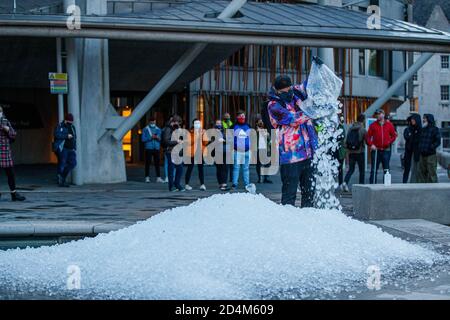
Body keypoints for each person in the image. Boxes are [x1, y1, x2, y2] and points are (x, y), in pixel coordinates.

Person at [267, 75, 318, 207]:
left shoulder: (296, 92)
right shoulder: (273, 105)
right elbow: (293, 119)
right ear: (277, 91)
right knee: (289, 196)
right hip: (291, 157)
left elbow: (309, 84)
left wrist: (317, 69)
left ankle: (309, 222)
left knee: (309, 194)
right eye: (283, 92)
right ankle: (288, 224)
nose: (287, 93)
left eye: (288, 89)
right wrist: (312, 112)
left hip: (308, 153)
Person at [0, 106, 25, 201]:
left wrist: (8, 130)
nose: (1, 114)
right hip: (3, 149)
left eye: (1, 112)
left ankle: (14, 194)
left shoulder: (5, 120)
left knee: (10, 173)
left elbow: (14, 133)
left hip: (5, 150)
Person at [366, 109, 397, 184]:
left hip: (386, 150)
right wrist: (371, 144)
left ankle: (386, 185)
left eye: (379, 114)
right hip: (376, 150)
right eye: (377, 114)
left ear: (383, 114)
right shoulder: (373, 125)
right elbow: (367, 137)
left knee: (386, 169)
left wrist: (389, 142)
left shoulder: (389, 125)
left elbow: (394, 135)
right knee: (374, 169)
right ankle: (372, 185)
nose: (378, 115)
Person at [342, 114, 367, 191]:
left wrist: (348, 149)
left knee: (351, 169)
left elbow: (346, 141)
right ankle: (361, 187)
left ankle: (345, 182)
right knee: (361, 170)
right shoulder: (363, 129)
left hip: (351, 153)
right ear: (363, 120)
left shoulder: (350, 128)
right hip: (360, 152)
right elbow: (367, 140)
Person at [53, 113, 77, 188]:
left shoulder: (73, 127)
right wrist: (66, 136)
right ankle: (61, 181)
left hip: (71, 149)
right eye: (69, 122)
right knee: (62, 164)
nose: (71, 123)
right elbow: (56, 134)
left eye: (71, 122)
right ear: (66, 120)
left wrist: (74, 146)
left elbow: (75, 137)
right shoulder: (60, 126)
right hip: (63, 148)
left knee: (73, 163)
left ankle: (62, 176)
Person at [161, 115, 185, 192]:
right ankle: (171, 186)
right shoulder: (167, 129)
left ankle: (177, 184)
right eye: (178, 123)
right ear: (173, 122)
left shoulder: (175, 128)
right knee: (171, 168)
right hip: (169, 151)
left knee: (180, 168)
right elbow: (166, 141)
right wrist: (176, 141)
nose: (178, 124)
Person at [231, 111, 252, 190]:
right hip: (237, 151)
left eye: (243, 116)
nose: (242, 117)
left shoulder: (248, 126)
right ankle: (234, 184)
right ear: (237, 117)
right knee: (236, 168)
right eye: (240, 116)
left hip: (247, 150)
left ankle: (247, 184)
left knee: (246, 168)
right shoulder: (233, 126)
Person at [417, 114, 441, 183]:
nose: (423, 120)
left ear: (429, 119)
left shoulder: (435, 129)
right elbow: (420, 141)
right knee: (421, 173)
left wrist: (431, 147)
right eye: (423, 118)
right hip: (422, 155)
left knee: (432, 173)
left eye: (425, 118)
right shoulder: (423, 129)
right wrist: (420, 148)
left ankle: (433, 190)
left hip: (431, 155)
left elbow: (438, 141)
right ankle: (422, 190)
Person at [184, 119, 206, 191]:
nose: (197, 125)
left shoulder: (202, 131)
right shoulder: (190, 132)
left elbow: (205, 143)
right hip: (191, 152)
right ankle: (186, 184)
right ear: (193, 124)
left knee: (201, 169)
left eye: (198, 123)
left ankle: (202, 184)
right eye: (195, 123)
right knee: (190, 168)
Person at [142, 117, 163, 183]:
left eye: (153, 122)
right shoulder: (145, 129)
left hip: (156, 148)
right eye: (151, 122)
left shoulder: (158, 129)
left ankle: (158, 178)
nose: (152, 123)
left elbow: (160, 139)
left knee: (157, 163)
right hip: (149, 148)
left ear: (155, 122)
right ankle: (147, 177)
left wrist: (157, 137)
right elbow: (143, 139)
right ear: (149, 122)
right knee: (147, 163)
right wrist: (150, 137)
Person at [403, 113, 422, 183]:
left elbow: (419, 139)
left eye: (413, 119)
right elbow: (406, 137)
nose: (412, 121)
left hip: (416, 151)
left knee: (416, 168)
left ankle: (415, 182)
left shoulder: (420, 129)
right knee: (406, 168)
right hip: (408, 151)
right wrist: (412, 136)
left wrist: (412, 136)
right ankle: (404, 182)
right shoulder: (407, 129)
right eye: (411, 119)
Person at [213, 119, 229, 191]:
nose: (219, 125)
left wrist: (224, 140)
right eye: (217, 123)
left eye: (220, 123)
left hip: (225, 151)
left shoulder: (225, 131)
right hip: (217, 152)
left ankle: (224, 184)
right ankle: (220, 183)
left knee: (224, 168)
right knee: (219, 168)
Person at [255, 119, 272, 184]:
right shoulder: (256, 131)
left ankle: (266, 178)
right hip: (259, 149)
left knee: (267, 164)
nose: (261, 123)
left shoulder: (266, 131)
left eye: (262, 122)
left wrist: (268, 136)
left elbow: (270, 141)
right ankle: (260, 178)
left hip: (266, 149)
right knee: (259, 164)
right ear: (257, 123)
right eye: (259, 122)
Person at [222, 112, 234, 182]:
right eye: (226, 117)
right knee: (226, 164)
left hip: (231, 145)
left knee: (231, 163)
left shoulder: (231, 123)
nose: (227, 118)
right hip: (225, 144)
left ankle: (231, 177)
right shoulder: (222, 124)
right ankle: (225, 178)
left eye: (228, 117)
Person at [335, 115, 346, 191]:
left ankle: (340, 183)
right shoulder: (329, 126)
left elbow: (342, 136)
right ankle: (332, 184)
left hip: (340, 151)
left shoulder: (341, 127)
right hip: (332, 152)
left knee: (340, 169)